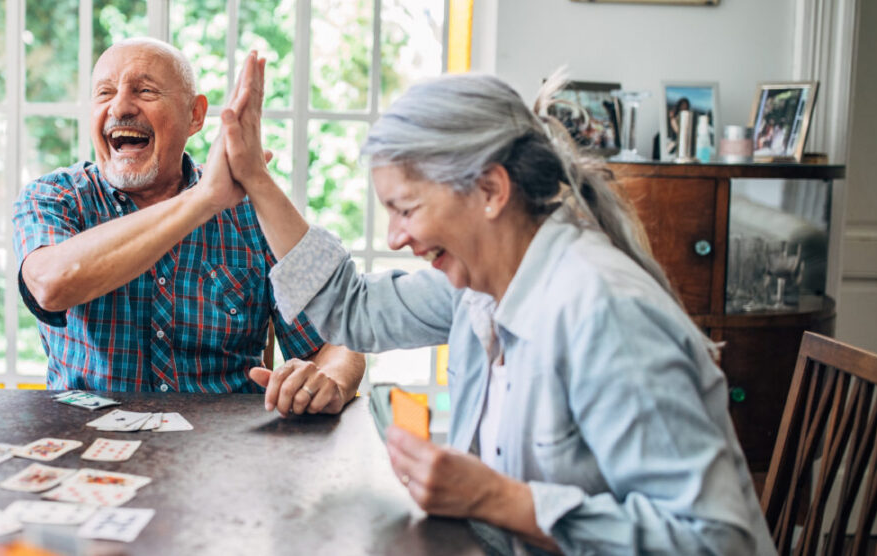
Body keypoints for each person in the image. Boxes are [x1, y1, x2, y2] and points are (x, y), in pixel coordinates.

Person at [217, 68, 775, 553]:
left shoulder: (604, 314)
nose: (394, 238)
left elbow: (715, 542)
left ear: (490, 190)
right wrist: (256, 180)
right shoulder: (479, 285)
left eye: (406, 209)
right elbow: (352, 308)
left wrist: (494, 497)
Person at [12, 39, 363, 416]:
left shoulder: (254, 215)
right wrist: (203, 199)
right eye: (105, 93)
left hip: (222, 453)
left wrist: (330, 380)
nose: (120, 106)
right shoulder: (54, 197)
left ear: (195, 116)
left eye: (145, 91)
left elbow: (337, 339)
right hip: (86, 445)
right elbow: (51, 285)